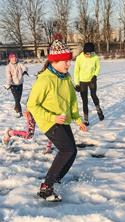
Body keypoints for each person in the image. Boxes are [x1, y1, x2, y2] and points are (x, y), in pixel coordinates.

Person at [27, 39, 87, 202]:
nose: (69, 63)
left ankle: (55, 179)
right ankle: (46, 187)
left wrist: (77, 119)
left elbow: (72, 101)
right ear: (55, 61)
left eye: (69, 60)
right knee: (66, 150)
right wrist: (52, 117)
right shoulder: (45, 80)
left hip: (63, 120)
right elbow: (32, 105)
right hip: (49, 121)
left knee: (72, 151)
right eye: (65, 60)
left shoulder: (66, 78)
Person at [74, 42, 104, 126]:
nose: (89, 55)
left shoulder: (95, 57)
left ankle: (98, 110)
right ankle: (86, 119)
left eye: (91, 53)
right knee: (85, 101)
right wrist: (77, 84)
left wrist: (95, 75)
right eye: (87, 53)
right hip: (82, 82)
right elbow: (76, 71)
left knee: (94, 95)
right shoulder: (79, 58)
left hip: (92, 80)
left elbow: (98, 67)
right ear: (84, 52)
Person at [5, 53, 28, 118]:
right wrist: (8, 84)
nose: (14, 59)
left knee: (18, 98)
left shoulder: (19, 64)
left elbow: (24, 67)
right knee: (17, 99)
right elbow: (8, 77)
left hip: (20, 83)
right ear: (10, 59)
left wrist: (25, 71)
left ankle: (16, 107)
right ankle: (19, 111)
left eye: (15, 58)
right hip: (13, 85)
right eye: (13, 58)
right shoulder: (8, 67)